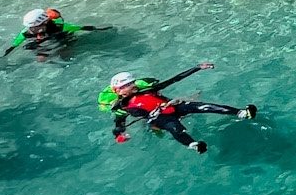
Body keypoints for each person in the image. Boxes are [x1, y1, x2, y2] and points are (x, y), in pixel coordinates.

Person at [100, 64, 257, 154]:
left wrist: (197, 67)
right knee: (176, 128)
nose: (132, 86)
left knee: (204, 106)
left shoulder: (147, 90)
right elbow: (119, 125)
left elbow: (174, 79)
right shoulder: (121, 107)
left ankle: (242, 113)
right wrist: (119, 136)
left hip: (173, 107)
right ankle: (193, 145)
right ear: (117, 91)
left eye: (132, 83)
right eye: (126, 86)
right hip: (160, 118)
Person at [1, 8, 114, 61]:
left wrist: (101, 29)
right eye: (31, 27)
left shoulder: (61, 26)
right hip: (44, 44)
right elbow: (15, 45)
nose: (32, 29)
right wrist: (4, 56)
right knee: (40, 60)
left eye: (35, 27)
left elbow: (82, 28)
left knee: (67, 57)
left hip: (63, 40)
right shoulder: (26, 32)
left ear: (45, 22)